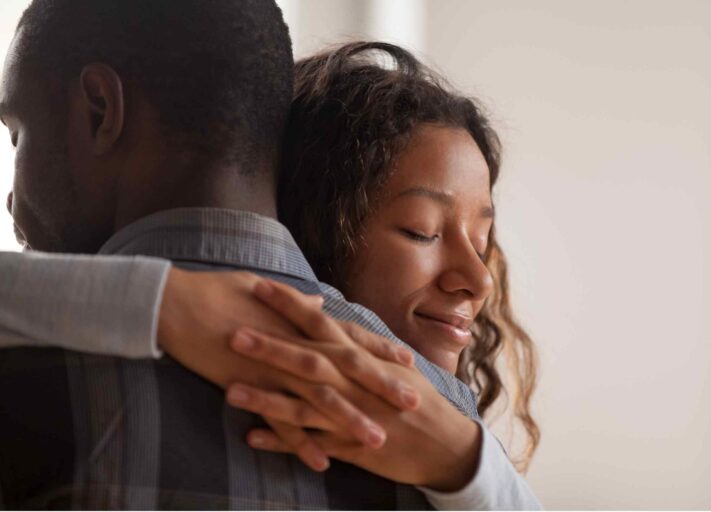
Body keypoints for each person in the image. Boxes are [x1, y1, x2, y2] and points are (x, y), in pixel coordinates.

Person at [0, 0, 540, 509]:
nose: (10, 197)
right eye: (422, 231)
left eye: (17, 135)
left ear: (100, 110)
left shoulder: (27, 370)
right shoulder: (438, 430)